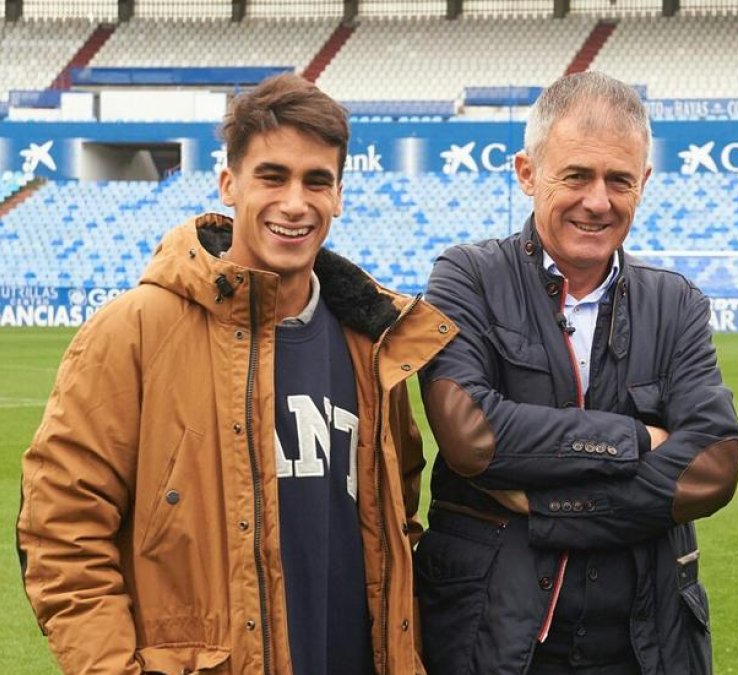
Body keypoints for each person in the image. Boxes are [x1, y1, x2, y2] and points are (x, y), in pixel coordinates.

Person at [17, 74, 457, 674]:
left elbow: (395, 521)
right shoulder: (133, 330)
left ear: (339, 195)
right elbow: (61, 531)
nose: (295, 203)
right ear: (229, 184)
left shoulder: (370, 344)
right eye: (272, 177)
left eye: (316, 181)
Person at [416, 71, 738, 675]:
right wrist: (640, 440)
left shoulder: (677, 303)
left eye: (619, 179)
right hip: (490, 636)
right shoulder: (466, 277)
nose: (598, 201)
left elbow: (712, 466)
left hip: (645, 644)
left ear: (643, 182)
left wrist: (545, 507)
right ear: (526, 173)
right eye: (576, 176)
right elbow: (471, 436)